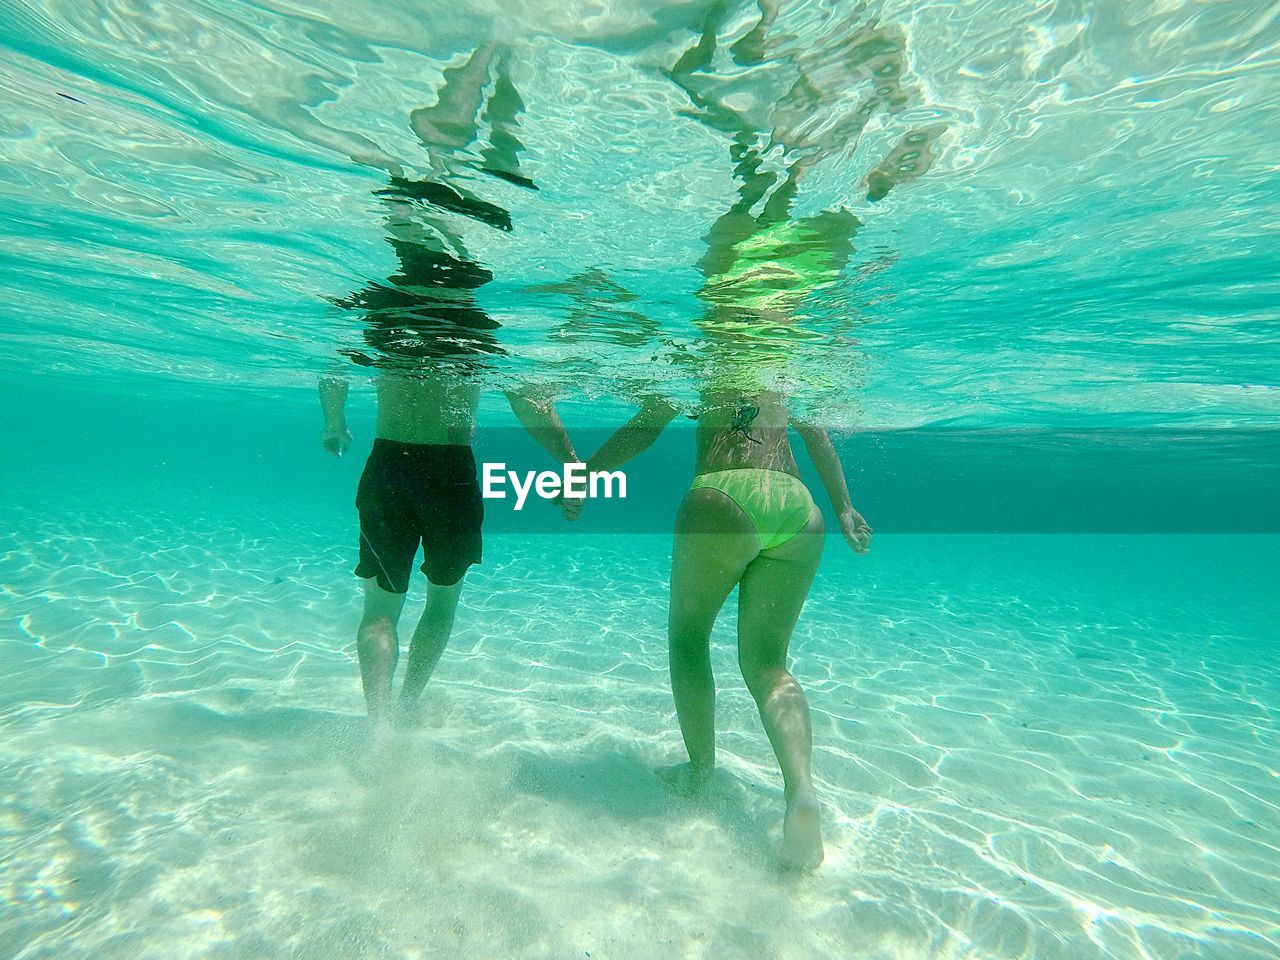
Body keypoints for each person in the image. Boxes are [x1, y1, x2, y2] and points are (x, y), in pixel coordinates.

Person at [319, 46, 577, 738]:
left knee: (379, 612)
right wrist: (571, 464)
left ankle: (379, 729)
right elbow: (529, 400)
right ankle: (508, 81)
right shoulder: (473, 322)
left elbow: (333, 363)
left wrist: (333, 423)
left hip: (386, 466)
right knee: (442, 603)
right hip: (449, 471)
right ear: (466, 272)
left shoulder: (379, 304)